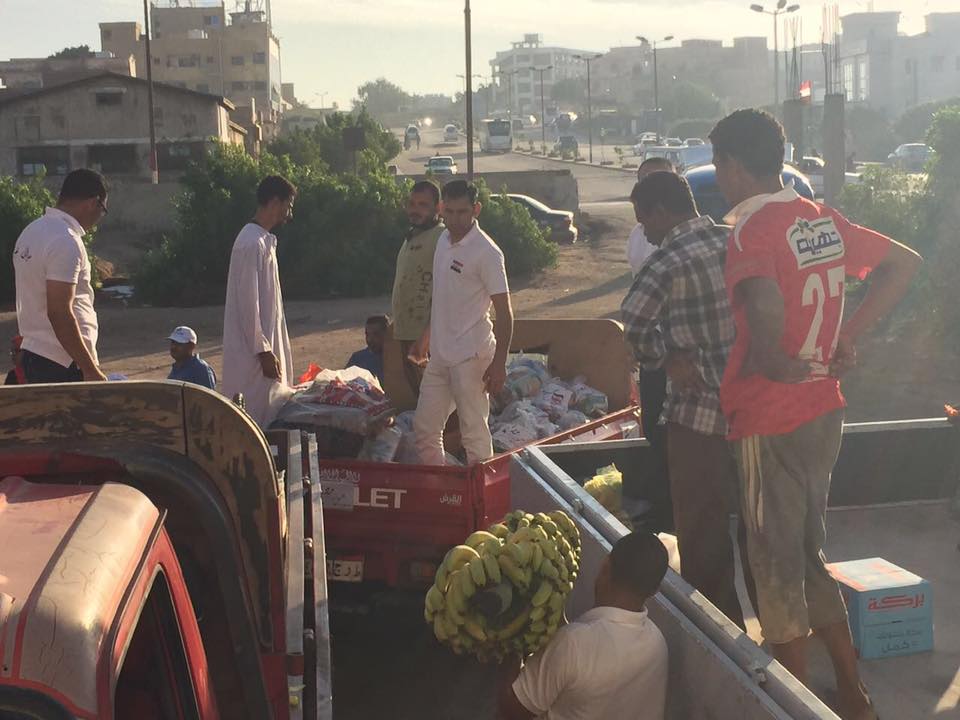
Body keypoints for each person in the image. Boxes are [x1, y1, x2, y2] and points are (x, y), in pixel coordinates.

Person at [711, 108, 920, 719]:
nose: (718, 177)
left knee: (775, 570)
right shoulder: (820, 219)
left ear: (733, 165)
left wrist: (772, 358)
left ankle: (794, 705)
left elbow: (762, 307)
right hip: (823, 410)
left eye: (719, 164)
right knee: (808, 555)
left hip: (768, 417)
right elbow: (903, 264)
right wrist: (847, 334)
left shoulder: (752, 233)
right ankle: (853, 695)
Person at [621, 171, 752, 630]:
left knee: (702, 530)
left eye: (644, 220)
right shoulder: (737, 241)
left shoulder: (668, 260)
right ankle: (777, 629)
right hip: (753, 407)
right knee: (757, 525)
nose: (645, 232)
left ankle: (721, 633)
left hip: (697, 415)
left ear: (661, 211)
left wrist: (662, 358)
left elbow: (633, 319)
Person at [497, 532, 669, 720]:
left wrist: (514, 643)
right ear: (654, 591)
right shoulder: (657, 643)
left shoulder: (573, 644)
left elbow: (512, 709)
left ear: (605, 566)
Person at [412, 180, 513, 466]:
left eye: (463, 212)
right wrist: (426, 336)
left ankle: (481, 491)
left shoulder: (487, 252)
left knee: (474, 435)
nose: (456, 220)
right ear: (441, 209)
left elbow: (505, 312)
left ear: (476, 209)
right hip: (440, 355)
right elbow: (442, 295)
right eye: (450, 212)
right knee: (425, 429)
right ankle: (439, 485)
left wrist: (499, 364)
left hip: (471, 356)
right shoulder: (443, 241)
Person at [13, 169, 108, 383]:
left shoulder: (31, 232)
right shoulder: (66, 240)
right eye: (102, 210)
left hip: (37, 354)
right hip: (62, 361)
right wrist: (89, 369)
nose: (98, 218)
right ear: (93, 203)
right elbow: (59, 311)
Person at [221, 175, 297, 427]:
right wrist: (262, 350)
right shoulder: (250, 243)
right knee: (253, 419)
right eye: (288, 205)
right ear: (274, 202)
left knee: (272, 414)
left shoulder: (263, 240)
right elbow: (248, 303)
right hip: (252, 356)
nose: (289, 213)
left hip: (264, 347)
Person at [626, 156, 677, 533]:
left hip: (679, 355)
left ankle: (674, 511)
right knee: (654, 430)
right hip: (654, 354)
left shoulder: (684, 243)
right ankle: (661, 507)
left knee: (678, 436)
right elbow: (635, 298)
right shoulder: (637, 235)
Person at [392, 180, 445, 394]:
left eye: (423, 205)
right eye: (412, 204)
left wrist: (427, 335)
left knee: (436, 396)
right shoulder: (412, 237)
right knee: (420, 394)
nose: (416, 210)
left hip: (428, 336)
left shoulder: (442, 237)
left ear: (438, 207)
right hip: (407, 331)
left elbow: (448, 291)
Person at [166, 326, 216, 390]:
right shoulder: (176, 368)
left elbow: (207, 395)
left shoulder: (200, 369)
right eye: (173, 342)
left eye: (179, 343)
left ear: (191, 346)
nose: (173, 347)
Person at [346, 315, 388, 384]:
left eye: (376, 334)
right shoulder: (358, 359)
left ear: (387, 335)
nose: (370, 339)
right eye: (367, 334)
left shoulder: (398, 359)